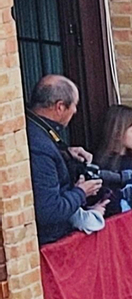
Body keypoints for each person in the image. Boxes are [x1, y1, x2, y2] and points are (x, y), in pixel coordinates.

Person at [26, 75, 106, 241]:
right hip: (51, 244)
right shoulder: (40, 149)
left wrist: (65, 152)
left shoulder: (30, 123)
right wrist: (81, 192)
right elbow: (49, 211)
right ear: (60, 107)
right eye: (74, 105)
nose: (76, 111)